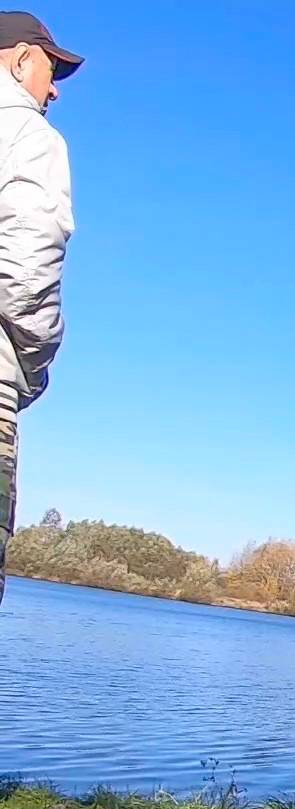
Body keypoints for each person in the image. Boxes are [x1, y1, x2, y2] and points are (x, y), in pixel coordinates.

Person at [0, 11, 79, 606]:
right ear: (21, 58)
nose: (53, 90)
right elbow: (27, 267)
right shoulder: (28, 134)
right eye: (51, 71)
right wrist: (33, 368)